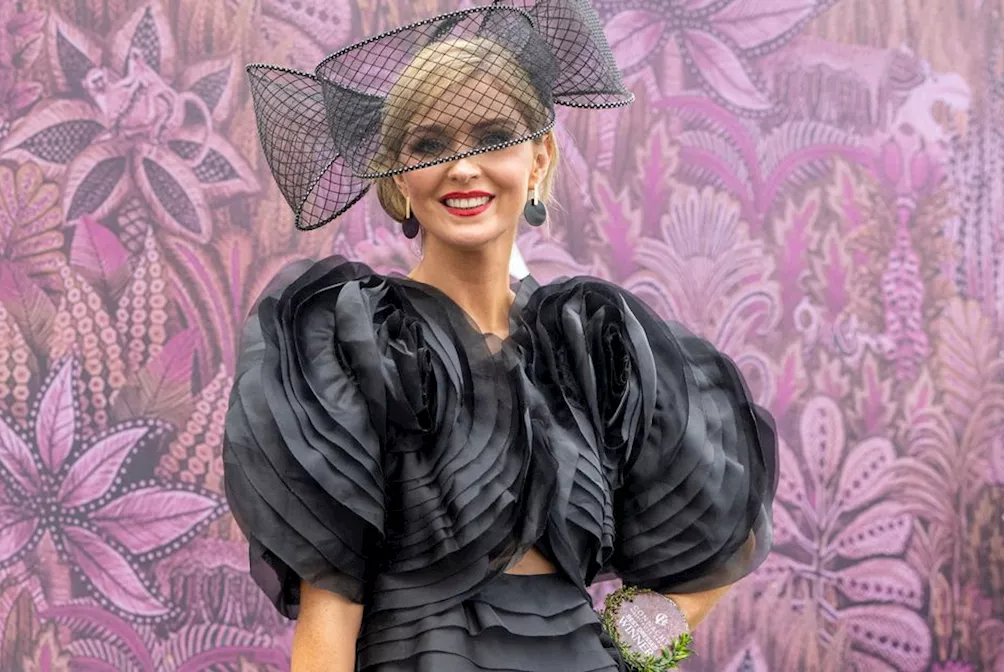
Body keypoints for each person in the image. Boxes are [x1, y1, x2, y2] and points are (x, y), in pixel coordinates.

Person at [223, 1, 778, 670]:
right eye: (429, 144)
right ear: (398, 173)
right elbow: (327, 618)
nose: (462, 167)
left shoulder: (597, 348)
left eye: (491, 136)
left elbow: (718, 549)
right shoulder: (351, 343)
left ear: (538, 157)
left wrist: (629, 653)